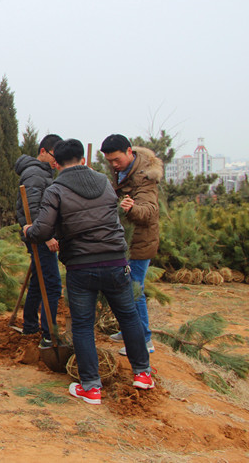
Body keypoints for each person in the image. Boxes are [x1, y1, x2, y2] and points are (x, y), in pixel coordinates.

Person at [23, 139, 154, 405]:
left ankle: (91, 387)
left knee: (82, 325)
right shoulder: (105, 183)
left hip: (82, 266)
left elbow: (42, 231)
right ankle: (143, 374)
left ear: (57, 163)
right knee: (128, 317)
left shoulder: (56, 189)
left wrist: (27, 231)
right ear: (83, 159)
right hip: (116, 261)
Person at [100, 134, 163, 356]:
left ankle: (144, 340)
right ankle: (129, 331)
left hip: (140, 241)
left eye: (117, 160)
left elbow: (150, 212)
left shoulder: (145, 176)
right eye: (110, 162)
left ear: (129, 152)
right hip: (126, 239)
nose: (114, 165)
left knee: (134, 289)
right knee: (124, 286)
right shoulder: (125, 170)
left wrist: (131, 208)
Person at [14, 134, 63, 348]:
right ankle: (48, 333)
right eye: (54, 155)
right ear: (43, 151)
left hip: (39, 234)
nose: (56, 160)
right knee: (52, 283)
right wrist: (47, 236)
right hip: (39, 236)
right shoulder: (35, 173)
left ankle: (30, 325)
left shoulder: (43, 172)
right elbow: (32, 210)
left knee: (38, 279)